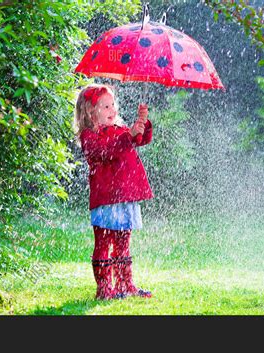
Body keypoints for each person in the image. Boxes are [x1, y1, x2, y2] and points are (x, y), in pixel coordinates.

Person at [74, 83, 154, 300]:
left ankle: (125, 284)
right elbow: (105, 151)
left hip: (126, 197)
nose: (113, 110)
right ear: (91, 112)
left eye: (113, 105)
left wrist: (142, 125)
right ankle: (104, 288)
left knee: (122, 243)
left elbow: (140, 140)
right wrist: (129, 134)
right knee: (103, 243)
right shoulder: (90, 136)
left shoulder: (120, 129)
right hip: (106, 199)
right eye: (106, 106)